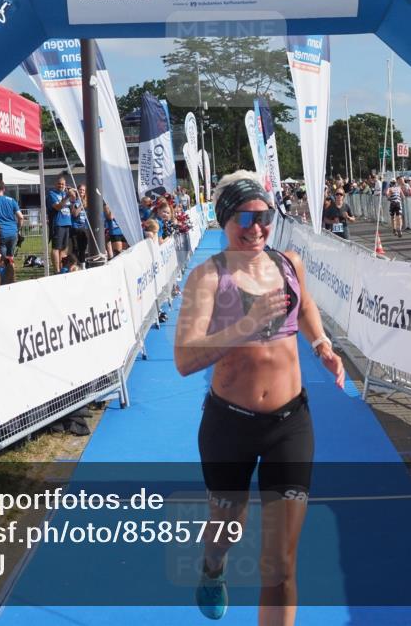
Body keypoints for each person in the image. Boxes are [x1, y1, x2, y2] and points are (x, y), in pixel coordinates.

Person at [174, 171, 345, 625]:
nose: (255, 228)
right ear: (225, 220)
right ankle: (213, 566)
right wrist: (246, 326)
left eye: (263, 216)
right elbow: (185, 359)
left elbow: (305, 306)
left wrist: (321, 344)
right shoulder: (206, 278)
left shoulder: (289, 263)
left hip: (290, 424)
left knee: (281, 565)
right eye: (244, 219)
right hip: (229, 425)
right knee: (229, 526)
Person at [0, 180, 24, 279]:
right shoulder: (11, 200)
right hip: (13, 232)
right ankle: (12, 278)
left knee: (1, 260)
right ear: (4, 189)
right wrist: (17, 229)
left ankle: (3, 281)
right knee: (10, 258)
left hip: (0, 233)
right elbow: (21, 217)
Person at [46, 174, 73, 271]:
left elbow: (73, 203)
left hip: (67, 223)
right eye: (59, 184)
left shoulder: (65, 193)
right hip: (58, 223)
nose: (61, 186)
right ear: (55, 184)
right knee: (56, 247)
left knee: (64, 248)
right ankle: (57, 270)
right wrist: (67, 197)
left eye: (63, 184)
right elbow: (57, 207)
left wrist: (71, 195)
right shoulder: (52, 194)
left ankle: (62, 269)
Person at [70, 183, 90, 265]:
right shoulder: (75, 201)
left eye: (83, 190)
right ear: (77, 190)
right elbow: (74, 214)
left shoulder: (87, 202)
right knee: (76, 248)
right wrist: (81, 206)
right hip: (75, 228)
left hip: (84, 228)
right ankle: (76, 264)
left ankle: (82, 264)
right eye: (80, 189)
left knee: (83, 248)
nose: (82, 191)